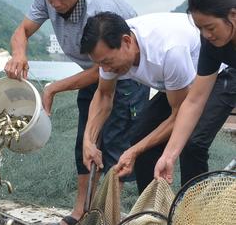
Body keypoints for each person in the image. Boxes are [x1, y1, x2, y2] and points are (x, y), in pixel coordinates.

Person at [4, 0, 149, 225]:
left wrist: (54, 87)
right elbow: (22, 31)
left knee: (116, 147)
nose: (55, 3)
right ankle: (81, 213)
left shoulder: (98, 10)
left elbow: (104, 68)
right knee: (85, 141)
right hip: (94, 71)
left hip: (127, 73)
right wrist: (19, 53)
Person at [81, 11, 221, 193]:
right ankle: (151, 214)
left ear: (127, 41)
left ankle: (193, 215)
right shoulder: (109, 49)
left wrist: (134, 151)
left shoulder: (169, 51)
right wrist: (88, 141)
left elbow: (180, 114)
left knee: (193, 144)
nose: (106, 70)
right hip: (177, 87)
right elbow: (104, 95)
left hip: (218, 74)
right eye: (100, 65)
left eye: (108, 62)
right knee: (139, 136)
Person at [155, 0, 236, 183]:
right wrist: (169, 155)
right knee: (193, 143)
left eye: (210, 27)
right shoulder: (212, 43)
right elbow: (194, 100)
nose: (206, 35)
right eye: (200, 28)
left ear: (233, 15)